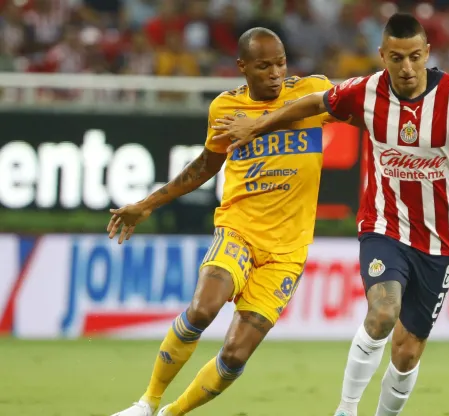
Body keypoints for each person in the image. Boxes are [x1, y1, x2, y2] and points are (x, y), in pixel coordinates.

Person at [211, 13, 449, 416]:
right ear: (382, 55)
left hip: (438, 240)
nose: (406, 68)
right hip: (382, 226)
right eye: (396, 58)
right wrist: (258, 125)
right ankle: (346, 409)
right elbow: (311, 103)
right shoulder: (366, 91)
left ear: (427, 53)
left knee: (407, 354)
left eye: (414, 57)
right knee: (383, 311)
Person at [107, 27, 336, 416]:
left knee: (234, 355)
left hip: (288, 251)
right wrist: (148, 204)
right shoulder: (225, 109)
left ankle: (171, 414)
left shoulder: (312, 91)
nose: (276, 73)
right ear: (242, 67)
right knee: (202, 308)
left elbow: (362, 107)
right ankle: (147, 403)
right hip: (239, 230)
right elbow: (205, 166)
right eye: (264, 66)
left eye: (280, 63)